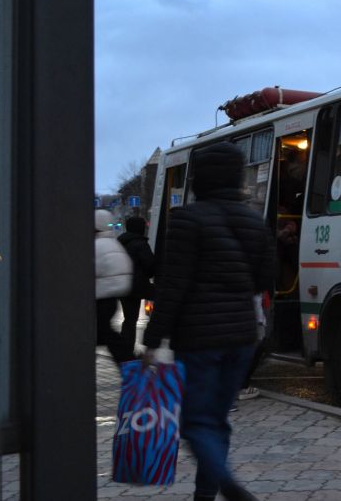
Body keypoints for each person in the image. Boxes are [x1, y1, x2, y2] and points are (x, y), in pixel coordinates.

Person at [141, 142, 275, 501]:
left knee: (196, 422)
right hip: (243, 337)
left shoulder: (187, 219)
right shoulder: (254, 220)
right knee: (217, 421)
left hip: (198, 339)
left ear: (200, 178)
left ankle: (227, 486)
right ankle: (205, 493)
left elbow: (174, 285)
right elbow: (265, 278)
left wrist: (153, 340)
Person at [95, 209, 134, 367]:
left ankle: (130, 361)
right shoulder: (114, 243)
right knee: (104, 333)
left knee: (103, 334)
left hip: (100, 297)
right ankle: (130, 360)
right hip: (112, 298)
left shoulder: (97, 246)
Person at [116, 215, 155, 360]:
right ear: (141, 228)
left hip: (122, 285)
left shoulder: (120, 243)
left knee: (129, 319)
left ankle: (126, 350)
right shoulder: (140, 244)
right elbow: (150, 266)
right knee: (164, 298)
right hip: (138, 286)